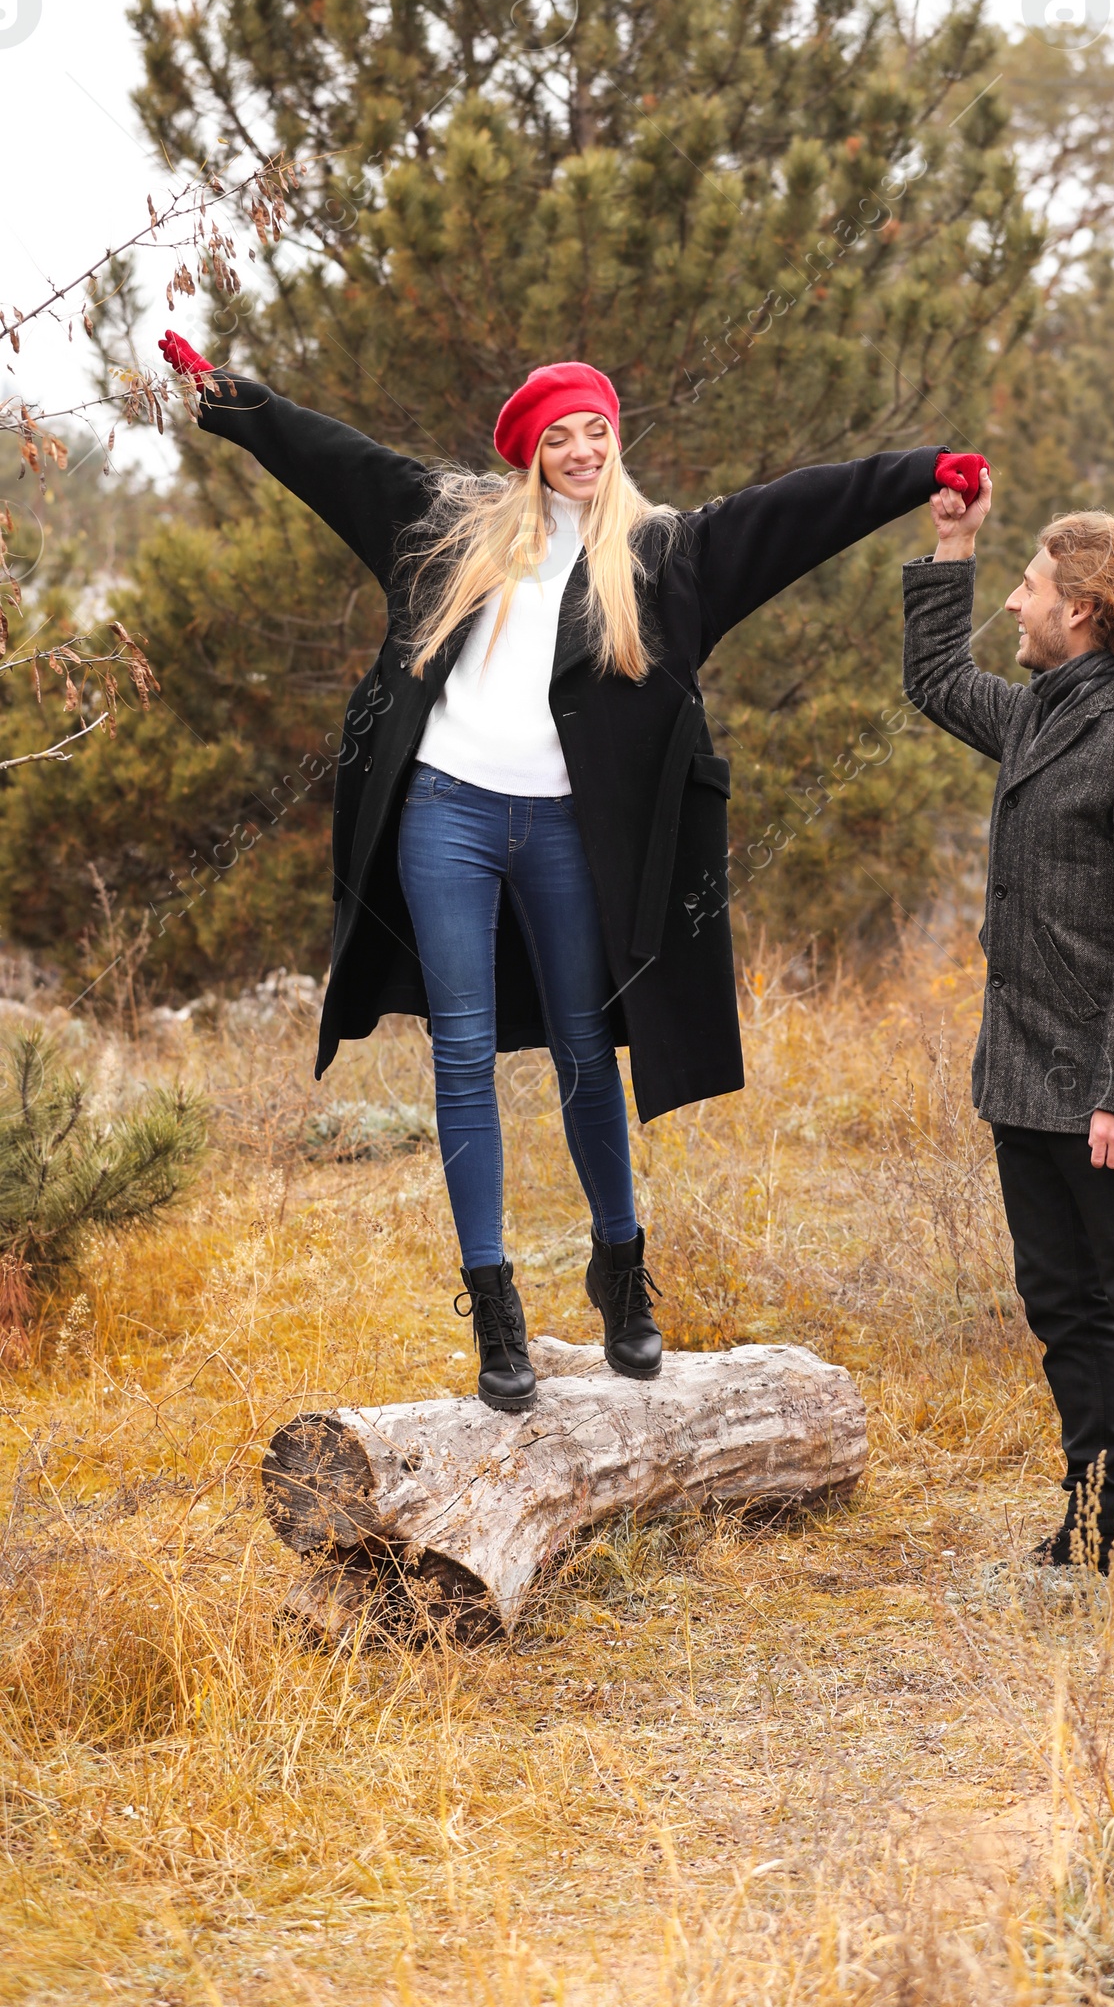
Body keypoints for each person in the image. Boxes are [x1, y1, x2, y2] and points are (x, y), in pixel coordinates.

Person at [159, 328, 983, 1412]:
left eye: (599, 430)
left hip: (562, 832)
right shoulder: (442, 527)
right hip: (443, 816)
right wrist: (228, 396)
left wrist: (922, 472)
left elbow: (795, 509)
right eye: (563, 435)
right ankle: (493, 1303)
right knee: (461, 1056)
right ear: (528, 449)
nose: (585, 449)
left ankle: (621, 1270)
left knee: (588, 1052)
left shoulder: (664, 556)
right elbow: (332, 455)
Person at [902, 470, 1114, 1621]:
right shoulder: (1044, 713)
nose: (1016, 604)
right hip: (1020, 1077)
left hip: (1104, 1093)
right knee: (1062, 1306)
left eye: (1029, 586)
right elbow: (937, 679)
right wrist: (954, 543)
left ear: (1080, 608)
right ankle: (1094, 1510)